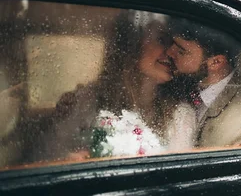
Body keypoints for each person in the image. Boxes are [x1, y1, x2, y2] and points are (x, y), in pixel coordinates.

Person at [28, 12, 175, 163]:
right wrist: (68, 160)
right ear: (131, 44)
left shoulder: (178, 112)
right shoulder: (86, 101)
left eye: (177, 45)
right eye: (162, 40)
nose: (172, 52)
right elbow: (44, 156)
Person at [161, 20, 241, 151]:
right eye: (172, 43)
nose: (169, 52)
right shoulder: (179, 83)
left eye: (181, 51)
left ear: (216, 62)